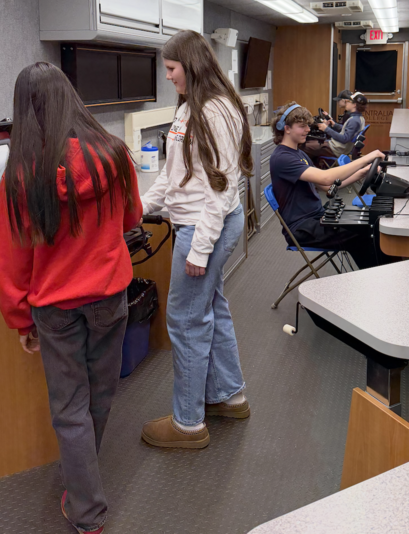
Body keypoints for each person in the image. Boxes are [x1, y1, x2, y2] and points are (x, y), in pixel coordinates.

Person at [0, 62, 142, 534]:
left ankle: (85, 507)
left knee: (69, 407)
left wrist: (20, 319)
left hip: (55, 308)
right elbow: (130, 220)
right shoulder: (114, 155)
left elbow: (13, 258)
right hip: (109, 295)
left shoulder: (21, 174)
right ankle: (83, 488)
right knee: (100, 394)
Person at [140, 30, 252, 450]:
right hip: (199, 223)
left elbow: (221, 189)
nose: (167, 77)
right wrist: (143, 205)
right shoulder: (190, 108)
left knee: (186, 322)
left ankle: (188, 423)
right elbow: (175, 173)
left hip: (208, 227)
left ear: (190, 65)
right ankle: (229, 395)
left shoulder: (217, 111)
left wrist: (201, 248)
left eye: (171, 69)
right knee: (211, 308)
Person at [270, 102, 385, 269]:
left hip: (317, 216)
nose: (308, 130)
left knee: (367, 226)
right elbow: (325, 178)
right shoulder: (282, 158)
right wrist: (366, 158)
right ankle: (376, 277)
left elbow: (327, 187)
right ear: (286, 128)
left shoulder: (298, 153)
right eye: (302, 127)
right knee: (366, 233)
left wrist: (360, 174)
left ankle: (374, 276)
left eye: (307, 126)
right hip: (302, 228)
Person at [307, 92, 368, 165]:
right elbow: (347, 131)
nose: (346, 103)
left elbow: (344, 139)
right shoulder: (359, 118)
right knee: (312, 144)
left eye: (348, 102)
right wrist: (334, 125)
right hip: (338, 147)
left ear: (354, 105)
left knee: (305, 147)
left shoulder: (354, 120)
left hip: (336, 149)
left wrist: (326, 129)